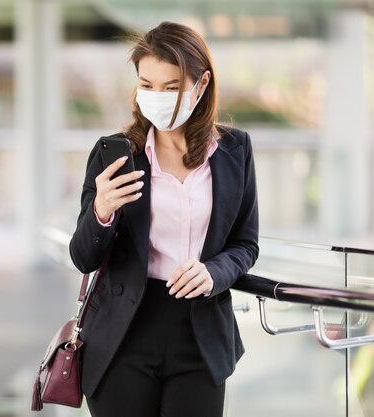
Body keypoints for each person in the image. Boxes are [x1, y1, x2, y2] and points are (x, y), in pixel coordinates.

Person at [69, 21, 259, 417]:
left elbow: (246, 243)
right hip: (124, 335)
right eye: (147, 85)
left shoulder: (235, 150)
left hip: (200, 333)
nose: (156, 97)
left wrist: (213, 272)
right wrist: (101, 211)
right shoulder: (116, 155)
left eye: (171, 87)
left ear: (201, 83)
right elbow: (83, 257)